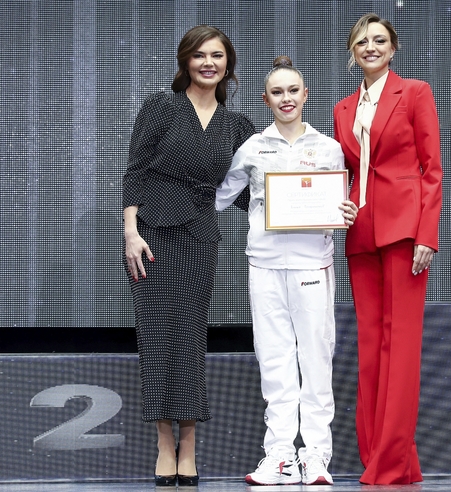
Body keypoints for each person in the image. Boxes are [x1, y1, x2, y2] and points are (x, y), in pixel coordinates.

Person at [122, 25, 255, 487]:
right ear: (185, 61)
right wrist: (130, 232)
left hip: (200, 234)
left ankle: (190, 444)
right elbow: (136, 169)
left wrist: (305, 199)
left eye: (216, 55)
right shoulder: (161, 106)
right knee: (157, 336)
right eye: (199, 55)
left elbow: (247, 191)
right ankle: (164, 443)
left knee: (190, 338)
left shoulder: (237, 125)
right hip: (153, 234)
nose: (208, 63)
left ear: (227, 64)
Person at [215, 56, 358, 486]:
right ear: (266, 99)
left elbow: (344, 203)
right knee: (274, 360)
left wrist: (348, 210)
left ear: (305, 94)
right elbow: (219, 197)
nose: (286, 98)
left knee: (315, 359)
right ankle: (279, 454)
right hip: (264, 265)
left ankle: (315, 456)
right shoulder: (254, 147)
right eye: (277, 92)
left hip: (313, 263)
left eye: (293, 90)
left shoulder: (329, 147)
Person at [332, 13, 443, 485]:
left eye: (380, 40)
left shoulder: (414, 92)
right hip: (361, 235)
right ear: (352, 51)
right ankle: (381, 454)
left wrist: (426, 235)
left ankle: (391, 461)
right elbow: (344, 174)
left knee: (402, 347)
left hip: (404, 232)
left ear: (393, 49)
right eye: (362, 41)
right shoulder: (342, 108)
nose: (371, 47)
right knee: (372, 349)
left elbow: (432, 168)